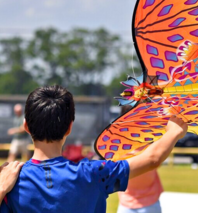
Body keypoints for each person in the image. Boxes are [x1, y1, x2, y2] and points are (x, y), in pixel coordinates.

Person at [0, 85, 187, 213]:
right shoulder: (93, 173)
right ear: (69, 128)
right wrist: (173, 131)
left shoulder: (10, 179)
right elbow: (152, 159)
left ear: (26, 127)